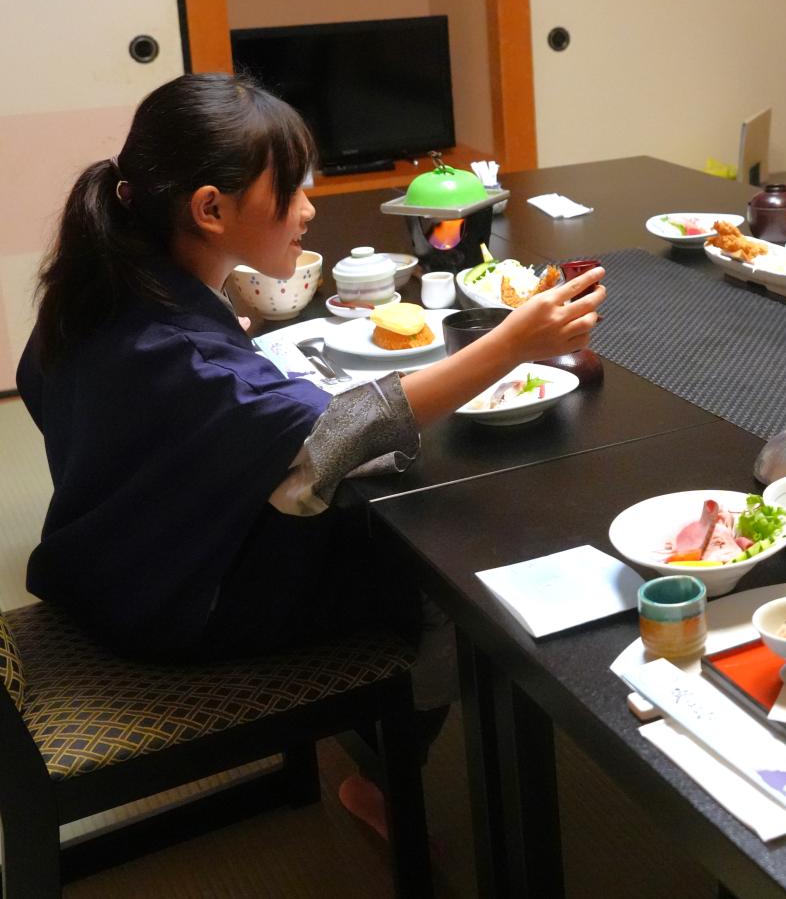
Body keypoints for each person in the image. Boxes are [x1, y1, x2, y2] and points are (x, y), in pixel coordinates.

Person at [16, 73, 604, 821]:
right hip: (169, 602)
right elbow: (334, 434)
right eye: (290, 190)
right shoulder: (189, 360)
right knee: (451, 574)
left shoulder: (101, 287)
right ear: (210, 208)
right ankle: (383, 776)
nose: (307, 208)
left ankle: (363, 738)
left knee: (385, 512)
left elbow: (43, 383)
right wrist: (513, 342)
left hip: (107, 555)